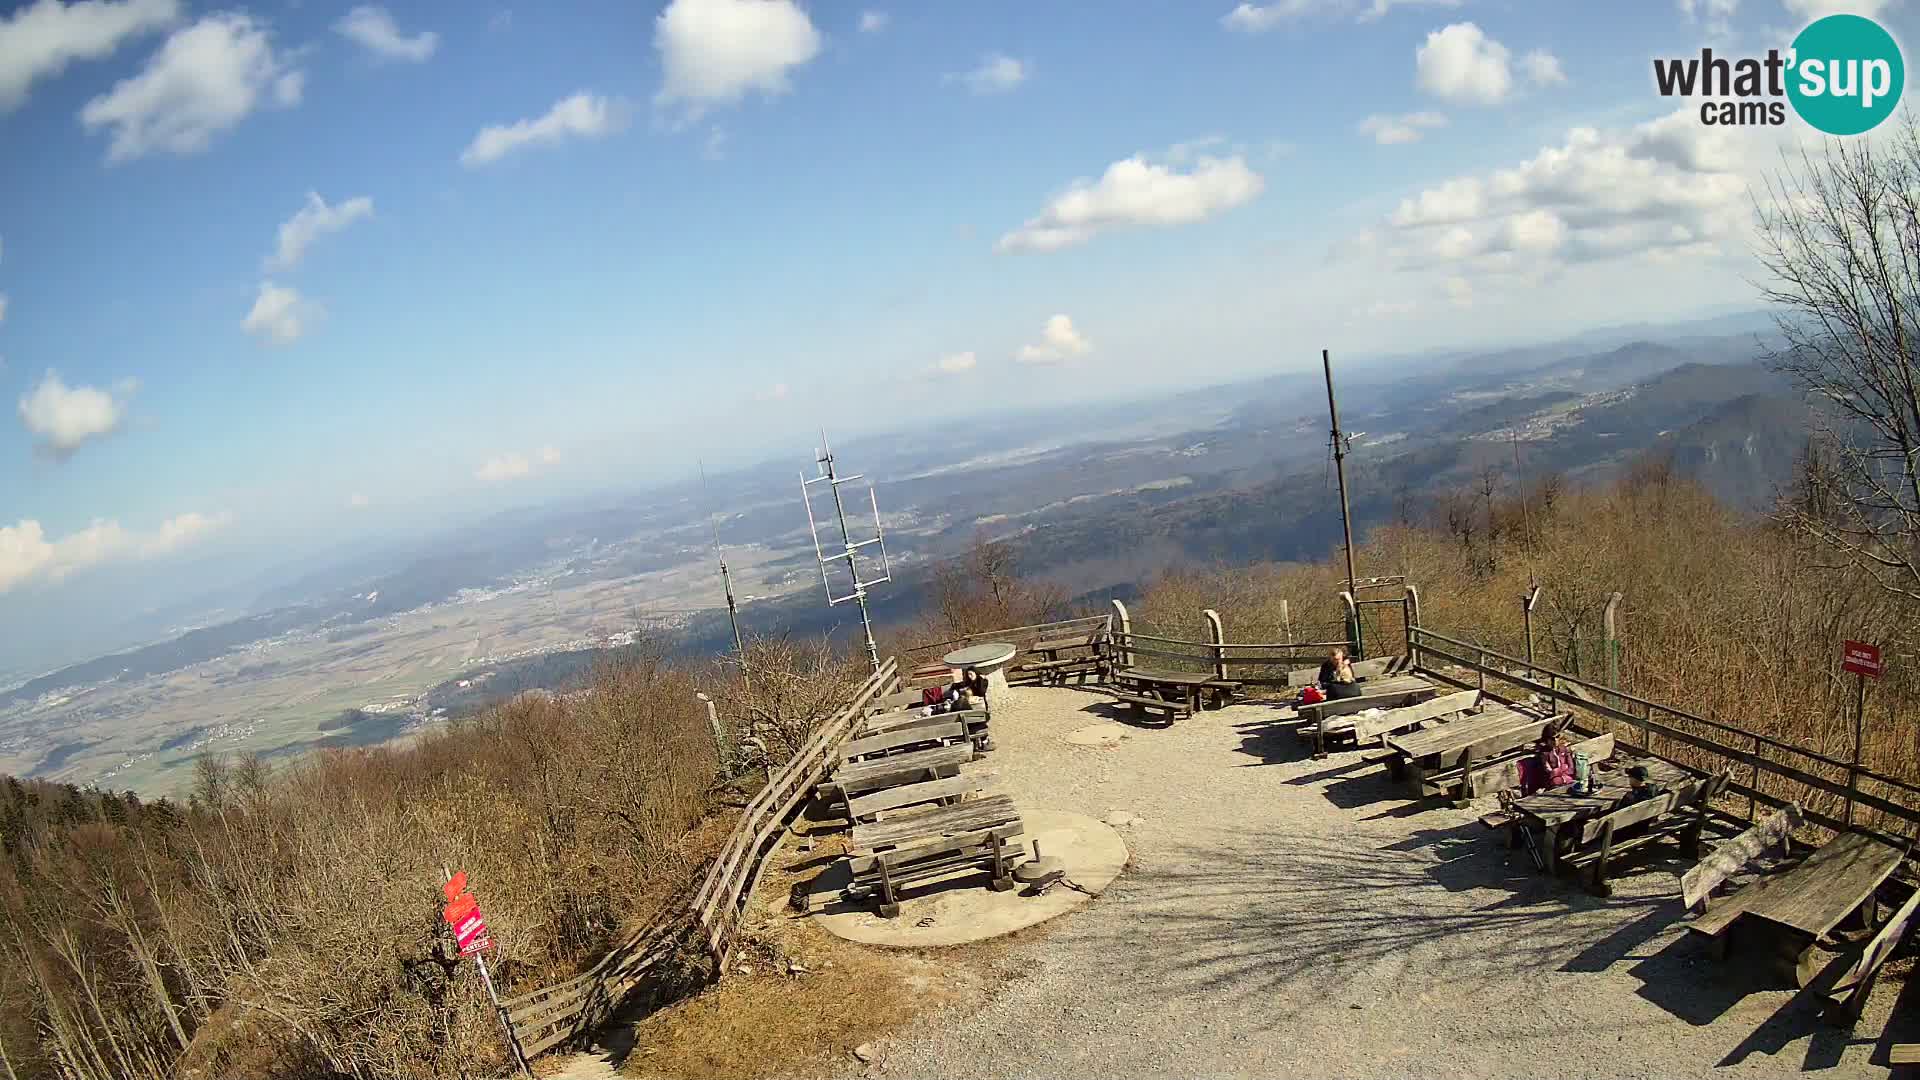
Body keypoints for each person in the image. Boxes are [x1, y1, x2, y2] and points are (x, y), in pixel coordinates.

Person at [1518, 731, 1576, 796]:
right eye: (1552, 739)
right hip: (1552, 780)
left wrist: (1563, 772)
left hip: (1566, 776)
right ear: (1547, 740)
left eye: (1557, 737)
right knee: (1556, 781)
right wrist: (1561, 769)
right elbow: (1548, 771)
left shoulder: (1564, 749)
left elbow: (1571, 767)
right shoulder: (1544, 753)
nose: (1555, 741)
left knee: (1573, 784)